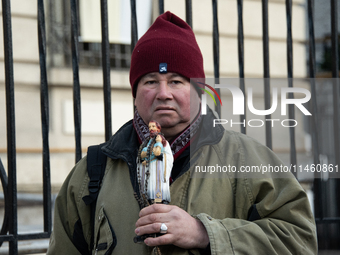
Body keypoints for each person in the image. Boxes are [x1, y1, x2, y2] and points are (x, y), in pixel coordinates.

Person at [47, 11, 317, 255]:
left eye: (176, 81)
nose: (164, 94)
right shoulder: (91, 173)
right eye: (151, 81)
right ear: (135, 92)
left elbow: (299, 240)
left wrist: (205, 234)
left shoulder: (246, 159)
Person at [137, 121, 173, 205]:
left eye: (153, 126)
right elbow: (142, 154)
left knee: (157, 185)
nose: (151, 129)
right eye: (149, 127)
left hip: (158, 168)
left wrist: (158, 143)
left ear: (158, 128)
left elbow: (158, 153)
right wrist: (144, 157)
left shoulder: (162, 142)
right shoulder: (147, 142)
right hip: (149, 168)